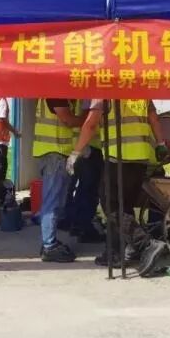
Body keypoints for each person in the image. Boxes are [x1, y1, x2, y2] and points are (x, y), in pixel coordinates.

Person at [67, 99, 168, 276]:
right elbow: (154, 119)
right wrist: (161, 144)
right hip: (140, 158)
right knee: (125, 207)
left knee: (110, 206)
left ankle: (146, 244)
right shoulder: (142, 93)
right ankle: (114, 253)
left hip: (118, 158)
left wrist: (75, 152)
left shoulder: (105, 92)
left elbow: (91, 124)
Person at [33, 98, 84, 263]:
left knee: (57, 201)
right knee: (52, 202)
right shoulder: (55, 94)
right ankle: (49, 245)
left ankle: (50, 241)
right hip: (54, 153)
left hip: (57, 153)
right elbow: (67, 120)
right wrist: (88, 117)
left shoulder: (54, 93)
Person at [63, 99, 104, 243]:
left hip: (84, 146)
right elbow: (90, 121)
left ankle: (78, 224)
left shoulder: (82, 96)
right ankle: (84, 228)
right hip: (90, 147)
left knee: (83, 189)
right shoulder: (92, 97)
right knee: (89, 190)